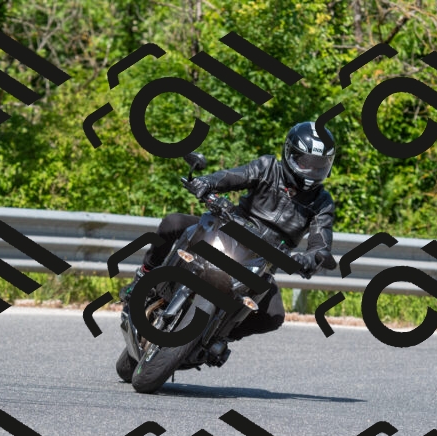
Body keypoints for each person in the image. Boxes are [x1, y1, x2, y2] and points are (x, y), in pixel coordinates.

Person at [121, 121, 336, 347]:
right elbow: (234, 176)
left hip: (263, 261)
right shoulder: (267, 167)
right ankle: (143, 279)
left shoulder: (322, 203)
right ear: (290, 154)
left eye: (319, 165)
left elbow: (320, 243)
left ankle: (218, 337)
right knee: (172, 223)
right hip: (230, 230)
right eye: (306, 162)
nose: (312, 170)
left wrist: (311, 258)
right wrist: (206, 182)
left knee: (273, 316)